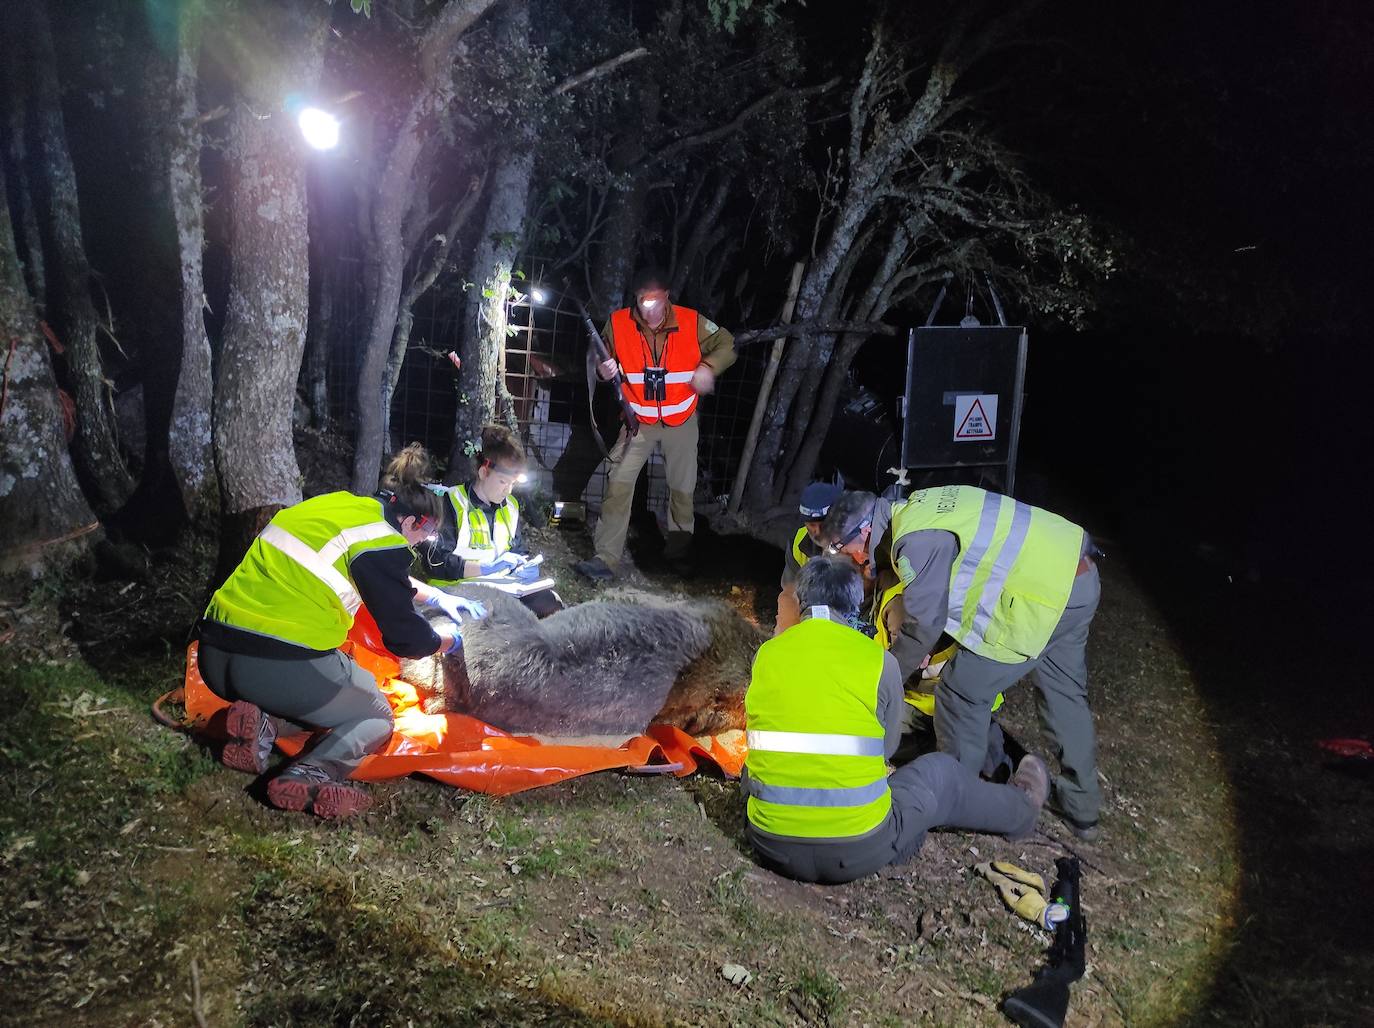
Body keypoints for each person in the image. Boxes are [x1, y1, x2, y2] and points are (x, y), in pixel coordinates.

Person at [195, 444, 484, 818]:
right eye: (423, 537)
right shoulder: (383, 542)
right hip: (277, 662)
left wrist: (434, 596)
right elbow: (407, 639)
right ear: (413, 523)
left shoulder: (340, 508)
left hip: (215, 654)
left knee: (330, 694)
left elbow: (364, 569)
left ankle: (262, 727)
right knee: (375, 713)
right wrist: (452, 640)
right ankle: (312, 774)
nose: (418, 546)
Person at [743, 557, 1050, 885]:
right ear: (853, 604)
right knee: (939, 774)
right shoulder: (879, 660)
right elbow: (885, 749)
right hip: (856, 850)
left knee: (754, 768)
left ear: (801, 602)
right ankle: (1021, 810)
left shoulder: (767, 654)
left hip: (769, 844)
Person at [822, 486, 1103, 841]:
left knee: (960, 693)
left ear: (864, 531)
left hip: (1039, 595)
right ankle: (1082, 809)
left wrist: (881, 680)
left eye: (841, 548)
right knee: (1063, 693)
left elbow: (925, 624)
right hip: (1076, 573)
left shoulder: (912, 541)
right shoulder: (919, 507)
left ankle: (958, 800)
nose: (849, 558)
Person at [574, 266, 736, 581]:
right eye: (642, 301)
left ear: (666, 297)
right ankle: (605, 558)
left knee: (682, 489)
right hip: (638, 419)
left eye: (654, 301)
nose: (648, 309)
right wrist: (603, 372)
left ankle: (678, 554)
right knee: (618, 484)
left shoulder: (692, 321)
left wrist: (707, 367)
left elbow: (727, 344)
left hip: (681, 418)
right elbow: (599, 359)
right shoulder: (619, 323)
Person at [413, 423, 564, 617]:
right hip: (458, 590)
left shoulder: (510, 506)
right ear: (483, 472)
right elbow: (437, 563)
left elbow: (517, 549)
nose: (507, 490)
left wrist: (523, 564)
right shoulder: (450, 502)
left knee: (551, 604)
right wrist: (484, 568)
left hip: (503, 590)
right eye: (503, 481)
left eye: (512, 484)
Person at [774, 481, 843, 635]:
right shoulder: (799, 543)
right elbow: (789, 594)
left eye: (823, 523)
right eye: (811, 525)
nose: (817, 532)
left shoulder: (859, 542)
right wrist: (785, 640)